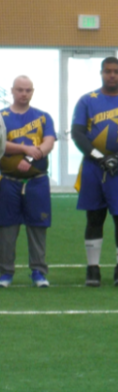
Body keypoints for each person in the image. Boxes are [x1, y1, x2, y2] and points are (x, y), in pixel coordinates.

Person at [71, 57, 118, 288]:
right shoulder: (87, 100)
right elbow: (77, 133)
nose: (112, 75)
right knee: (94, 217)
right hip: (93, 167)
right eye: (108, 71)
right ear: (101, 73)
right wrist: (99, 157)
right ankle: (92, 268)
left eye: (116, 71)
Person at [0, 76, 56, 289]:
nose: (24, 94)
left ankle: (38, 272)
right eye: (20, 90)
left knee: (38, 226)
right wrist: (24, 149)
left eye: (28, 90)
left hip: (37, 181)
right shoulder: (2, 117)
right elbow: (1, 143)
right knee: (6, 227)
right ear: (12, 91)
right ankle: (5, 272)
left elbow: (48, 143)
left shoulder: (43, 117)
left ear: (32, 92)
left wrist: (31, 158)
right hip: (8, 181)